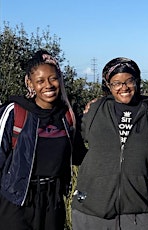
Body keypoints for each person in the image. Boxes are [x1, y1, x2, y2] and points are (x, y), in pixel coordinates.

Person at [71, 57, 148, 229]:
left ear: (137, 81)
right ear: (108, 86)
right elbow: (73, 142)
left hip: (137, 212)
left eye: (129, 81)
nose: (123, 87)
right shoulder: (95, 111)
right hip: (91, 211)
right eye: (116, 83)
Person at [0, 50, 85, 230]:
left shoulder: (67, 116)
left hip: (53, 202)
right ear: (30, 83)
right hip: (17, 200)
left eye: (53, 78)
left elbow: (79, 156)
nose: (48, 85)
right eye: (40, 81)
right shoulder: (15, 112)